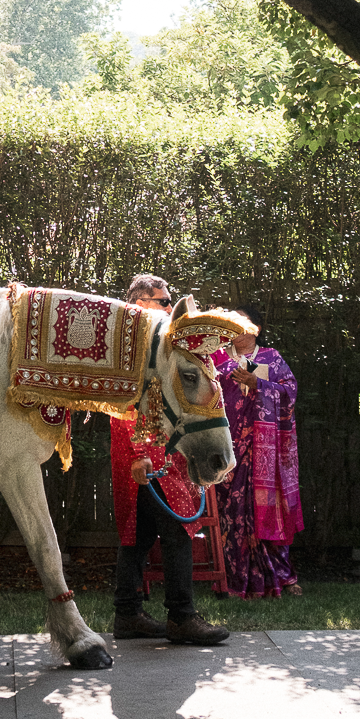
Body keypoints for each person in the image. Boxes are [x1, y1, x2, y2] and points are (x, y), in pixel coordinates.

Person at [111, 273, 230, 646]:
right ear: (141, 303)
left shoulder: (159, 343)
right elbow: (124, 406)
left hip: (161, 452)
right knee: (175, 532)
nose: (167, 307)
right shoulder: (130, 346)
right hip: (145, 453)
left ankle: (127, 614)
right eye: (163, 302)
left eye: (168, 301)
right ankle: (181, 617)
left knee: (140, 535)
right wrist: (139, 455)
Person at [212, 307, 304, 598]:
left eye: (244, 323)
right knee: (231, 514)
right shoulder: (217, 358)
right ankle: (231, 580)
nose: (237, 329)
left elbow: (290, 392)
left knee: (268, 512)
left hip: (266, 453)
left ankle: (282, 577)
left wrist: (259, 385)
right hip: (229, 449)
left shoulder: (272, 358)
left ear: (257, 329)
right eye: (232, 324)